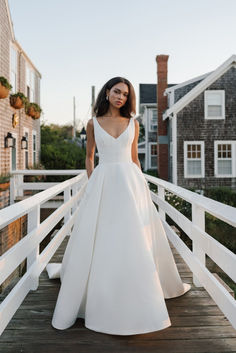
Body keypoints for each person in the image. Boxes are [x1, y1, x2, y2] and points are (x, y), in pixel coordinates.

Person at [46, 76, 191, 335]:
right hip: (103, 182)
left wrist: (141, 186)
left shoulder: (133, 123)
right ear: (107, 93)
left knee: (133, 236)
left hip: (130, 183)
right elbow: (89, 157)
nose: (120, 97)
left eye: (125, 94)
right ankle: (100, 294)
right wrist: (93, 183)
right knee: (103, 235)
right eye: (116, 92)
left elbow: (135, 158)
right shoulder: (92, 124)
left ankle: (136, 290)